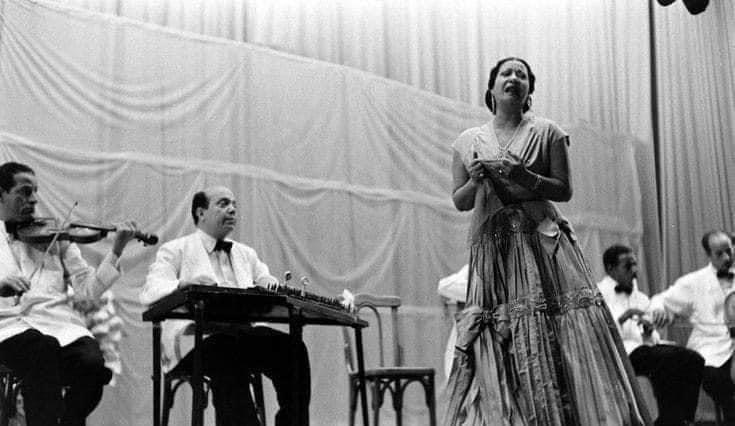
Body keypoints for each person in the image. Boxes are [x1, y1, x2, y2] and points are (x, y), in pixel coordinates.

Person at [443, 57, 647, 425]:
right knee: (496, 331)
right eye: (506, 73)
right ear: (491, 88)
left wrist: (525, 176)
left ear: (529, 91)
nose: (514, 78)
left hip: (541, 244)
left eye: (521, 75)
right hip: (494, 247)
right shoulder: (467, 141)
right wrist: (475, 181)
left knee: (553, 326)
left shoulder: (548, 131)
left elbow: (564, 189)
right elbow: (460, 201)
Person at [140, 186, 311, 426]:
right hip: (194, 341)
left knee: (292, 350)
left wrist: (271, 285)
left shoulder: (246, 253)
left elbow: (265, 279)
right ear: (200, 213)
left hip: (241, 336)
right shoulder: (175, 250)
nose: (232, 210)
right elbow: (150, 290)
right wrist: (182, 286)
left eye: (234, 205)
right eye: (223, 204)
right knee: (225, 351)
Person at [0, 161, 139, 426]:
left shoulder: (57, 239)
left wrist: (117, 250)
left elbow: (87, 293)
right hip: (7, 328)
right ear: (1, 194)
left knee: (93, 364)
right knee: (43, 349)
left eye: (35, 192)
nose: (34, 199)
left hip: (57, 326)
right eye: (25, 191)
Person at [598, 244, 704, 426]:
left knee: (694, 359)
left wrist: (649, 330)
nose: (634, 270)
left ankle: (684, 419)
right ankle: (670, 421)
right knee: (667, 359)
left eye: (635, 264)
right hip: (619, 353)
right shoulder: (598, 294)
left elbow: (652, 338)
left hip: (643, 349)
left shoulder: (641, 297)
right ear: (610, 268)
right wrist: (623, 317)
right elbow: (599, 332)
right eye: (628, 265)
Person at [650, 230, 735, 421]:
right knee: (717, 382)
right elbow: (661, 299)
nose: (726, 258)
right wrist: (659, 309)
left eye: (729, 251)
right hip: (710, 348)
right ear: (708, 255)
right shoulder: (694, 282)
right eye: (719, 254)